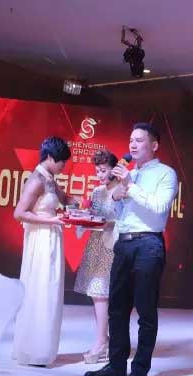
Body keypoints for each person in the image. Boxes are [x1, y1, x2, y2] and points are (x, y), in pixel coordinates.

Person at [85, 123, 177, 376]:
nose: (133, 145)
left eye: (139, 140)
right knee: (117, 307)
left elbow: (159, 206)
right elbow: (121, 214)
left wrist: (130, 185)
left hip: (148, 243)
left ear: (154, 145)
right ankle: (116, 364)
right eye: (130, 140)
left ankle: (140, 369)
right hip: (123, 243)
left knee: (145, 309)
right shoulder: (129, 172)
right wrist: (116, 197)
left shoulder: (165, 173)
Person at [12, 136, 73, 366]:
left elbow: (64, 199)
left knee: (50, 290)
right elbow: (19, 213)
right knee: (40, 289)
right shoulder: (36, 179)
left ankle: (42, 348)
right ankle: (34, 350)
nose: (64, 165)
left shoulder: (50, 178)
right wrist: (51, 221)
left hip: (52, 235)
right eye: (61, 161)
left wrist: (85, 203)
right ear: (49, 157)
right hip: (40, 238)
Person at [73, 150, 119, 363]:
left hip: (113, 245)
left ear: (113, 169)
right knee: (96, 293)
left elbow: (124, 220)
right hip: (96, 244)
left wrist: (107, 223)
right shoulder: (97, 192)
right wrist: (84, 217)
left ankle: (102, 342)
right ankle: (104, 340)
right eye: (97, 171)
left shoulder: (122, 190)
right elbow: (94, 216)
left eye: (103, 170)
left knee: (102, 293)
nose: (99, 175)